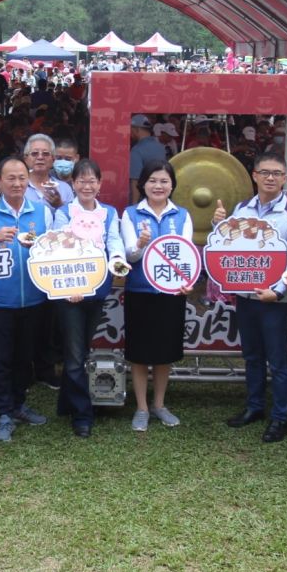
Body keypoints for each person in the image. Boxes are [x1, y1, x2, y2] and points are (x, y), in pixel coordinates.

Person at [212, 151, 287, 443]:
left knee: (278, 361)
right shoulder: (242, 209)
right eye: (265, 172)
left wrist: (277, 291)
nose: (270, 178)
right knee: (252, 356)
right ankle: (254, 407)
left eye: (276, 173)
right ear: (254, 175)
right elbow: (227, 250)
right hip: (246, 296)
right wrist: (218, 225)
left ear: (285, 178)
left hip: (274, 300)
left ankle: (280, 416)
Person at [0, 155, 53, 442]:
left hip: (34, 298)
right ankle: (4, 413)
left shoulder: (43, 213)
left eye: (22, 177)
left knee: (25, 357)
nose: (17, 183)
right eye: (11, 177)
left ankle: (19, 405)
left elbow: (52, 251)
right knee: (1, 359)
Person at [51, 159, 124, 437]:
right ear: (73, 184)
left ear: (100, 184)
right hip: (69, 290)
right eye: (81, 180)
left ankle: (66, 403)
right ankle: (83, 415)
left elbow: (114, 241)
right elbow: (58, 247)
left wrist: (117, 260)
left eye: (92, 180)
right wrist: (68, 285)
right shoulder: (63, 213)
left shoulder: (109, 212)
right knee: (73, 354)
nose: (87, 185)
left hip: (98, 286)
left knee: (82, 348)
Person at [120, 158, 194, 432]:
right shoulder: (131, 213)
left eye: (164, 181)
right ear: (143, 184)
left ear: (172, 185)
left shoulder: (182, 215)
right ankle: (141, 408)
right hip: (140, 291)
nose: (158, 186)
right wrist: (139, 244)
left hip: (171, 294)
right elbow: (129, 256)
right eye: (152, 180)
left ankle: (159, 405)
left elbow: (187, 255)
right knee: (139, 353)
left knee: (165, 353)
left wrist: (187, 282)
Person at [128, 115, 166, 202]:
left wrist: (134, 206)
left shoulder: (137, 150)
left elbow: (135, 181)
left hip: (144, 199)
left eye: (131, 129)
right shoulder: (160, 147)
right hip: (159, 197)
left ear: (136, 129)